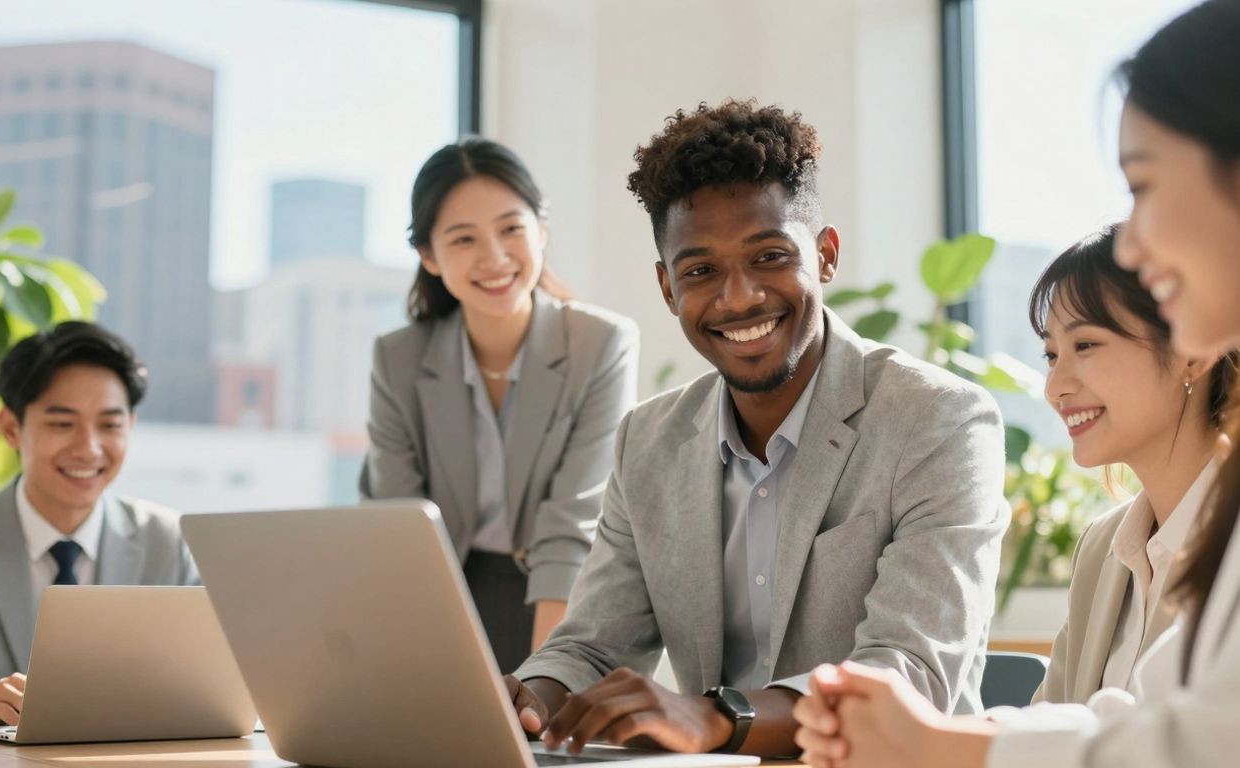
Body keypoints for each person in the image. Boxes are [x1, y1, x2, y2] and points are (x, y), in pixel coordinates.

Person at [793, 2, 1240, 766]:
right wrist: (931, 739)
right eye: (1050, 354)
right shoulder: (1125, 546)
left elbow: (1194, 745)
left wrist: (939, 743)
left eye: (1144, 184)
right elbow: (1156, 719)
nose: (1133, 239)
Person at [504, 100, 1009, 759]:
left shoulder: (936, 421)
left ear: (825, 256)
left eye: (769, 256)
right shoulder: (648, 443)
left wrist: (717, 718)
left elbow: (909, 673)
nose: (738, 298)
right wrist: (527, 698)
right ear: (667, 288)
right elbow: (594, 644)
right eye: (700, 271)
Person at [360, 137, 639, 673]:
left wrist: (545, 680)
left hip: (572, 601)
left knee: (540, 747)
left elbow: (574, 522)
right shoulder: (397, 358)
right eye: (463, 239)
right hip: (442, 599)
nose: (494, 257)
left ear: (541, 229)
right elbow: (397, 525)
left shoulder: (600, 344)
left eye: (512, 228)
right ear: (428, 256)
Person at [0, 321, 198, 732]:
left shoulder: (170, 541)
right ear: (11, 427)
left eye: (110, 425)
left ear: (130, 426)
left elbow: (214, 681)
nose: (89, 448)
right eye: (62, 424)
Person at [1029, 225, 1235, 704]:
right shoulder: (1102, 548)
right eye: (1051, 354)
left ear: (1193, 351)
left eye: (1085, 346)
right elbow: (1045, 730)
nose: (1055, 386)